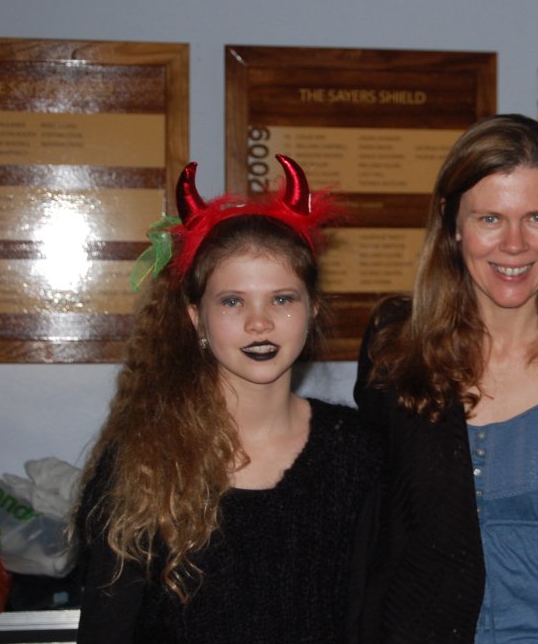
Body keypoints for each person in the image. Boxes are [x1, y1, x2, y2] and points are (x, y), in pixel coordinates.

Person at [354, 114, 538, 644]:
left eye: (537, 217)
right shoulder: (395, 345)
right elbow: (374, 527)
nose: (514, 244)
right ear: (452, 224)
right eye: (490, 218)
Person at [72, 156, 383, 643]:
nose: (260, 322)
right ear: (196, 318)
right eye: (233, 301)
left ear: (312, 310)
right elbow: (105, 630)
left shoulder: (357, 452)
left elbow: (371, 619)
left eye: (282, 299)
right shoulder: (144, 461)